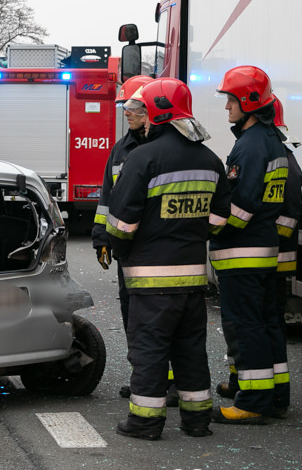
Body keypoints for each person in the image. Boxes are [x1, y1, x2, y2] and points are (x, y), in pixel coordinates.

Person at [106, 78, 231, 440]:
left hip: (150, 280)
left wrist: (122, 248)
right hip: (192, 279)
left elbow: (122, 222)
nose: (140, 119)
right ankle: (196, 421)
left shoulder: (141, 158)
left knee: (150, 349)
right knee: (191, 351)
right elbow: (220, 218)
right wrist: (190, 232)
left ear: (157, 115)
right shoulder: (210, 160)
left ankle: (145, 422)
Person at [209, 65, 289, 425]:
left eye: (230, 100)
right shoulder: (271, 141)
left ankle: (253, 402)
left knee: (245, 326)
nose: (227, 108)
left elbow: (238, 210)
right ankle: (274, 396)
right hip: (262, 248)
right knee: (263, 323)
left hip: (243, 251)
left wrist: (206, 230)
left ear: (248, 101)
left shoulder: (250, 147)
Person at [92, 75, 178, 405]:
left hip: (157, 247)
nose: (126, 112)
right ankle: (145, 376)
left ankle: (166, 381)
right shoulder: (121, 149)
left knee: (162, 320)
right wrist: (101, 238)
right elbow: (107, 199)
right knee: (133, 316)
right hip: (127, 249)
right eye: (125, 106)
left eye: (133, 106)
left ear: (150, 110)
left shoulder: (161, 150)